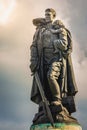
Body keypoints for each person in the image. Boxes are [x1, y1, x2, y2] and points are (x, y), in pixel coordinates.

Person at [30, 8, 78, 114]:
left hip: (56, 58)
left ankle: (57, 99)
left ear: (53, 16)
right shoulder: (40, 30)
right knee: (44, 82)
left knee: (51, 76)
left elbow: (64, 44)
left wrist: (54, 44)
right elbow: (33, 45)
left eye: (49, 14)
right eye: (45, 14)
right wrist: (33, 60)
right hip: (42, 59)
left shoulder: (59, 28)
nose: (47, 16)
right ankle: (45, 103)